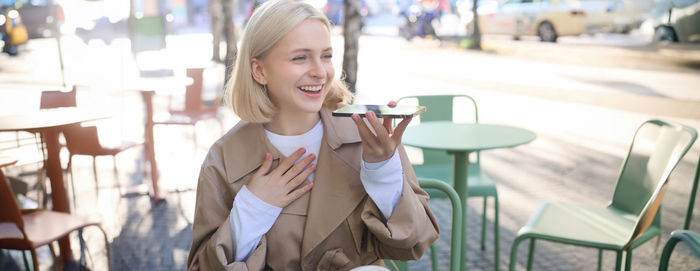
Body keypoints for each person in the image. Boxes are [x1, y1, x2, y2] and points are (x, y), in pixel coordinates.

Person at [187, 0, 439, 269]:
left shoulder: (367, 137)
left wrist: (383, 172)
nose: (320, 72)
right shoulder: (224, 160)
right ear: (259, 71)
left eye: (326, 56)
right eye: (300, 57)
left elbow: (415, 242)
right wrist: (252, 210)